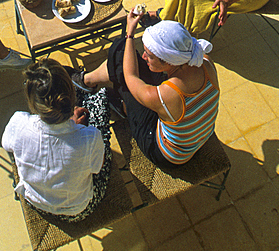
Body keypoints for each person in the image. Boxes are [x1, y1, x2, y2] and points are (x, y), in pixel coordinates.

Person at [72, 13, 219, 167]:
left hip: (164, 153)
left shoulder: (166, 94)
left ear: (168, 61)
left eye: (149, 56)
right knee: (126, 59)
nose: (144, 56)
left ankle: (89, 85)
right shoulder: (205, 61)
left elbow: (131, 76)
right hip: (196, 136)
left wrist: (130, 33)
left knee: (121, 60)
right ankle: (93, 85)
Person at [2, 59, 111, 220]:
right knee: (101, 100)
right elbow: (97, 167)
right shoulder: (89, 138)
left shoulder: (18, 123)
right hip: (79, 208)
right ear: (70, 96)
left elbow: (7, 145)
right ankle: (87, 85)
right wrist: (74, 129)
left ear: (33, 102)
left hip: (35, 200)